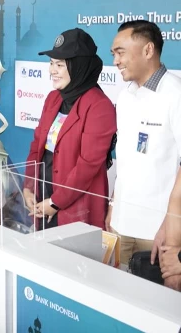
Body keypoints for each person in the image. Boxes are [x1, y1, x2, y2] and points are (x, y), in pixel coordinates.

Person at [21, 28, 116, 230]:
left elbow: (88, 165)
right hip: (43, 194)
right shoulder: (53, 98)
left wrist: (56, 202)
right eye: (51, 63)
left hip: (75, 206)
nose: (51, 70)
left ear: (78, 67)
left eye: (59, 65)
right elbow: (36, 145)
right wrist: (29, 187)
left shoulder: (100, 106)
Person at [108, 20, 181, 273]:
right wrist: (112, 209)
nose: (116, 61)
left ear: (148, 50)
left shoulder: (176, 94)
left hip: (157, 235)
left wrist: (171, 231)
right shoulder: (125, 96)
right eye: (114, 54)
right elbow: (126, 162)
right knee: (114, 296)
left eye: (121, 52)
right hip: (119, 226)